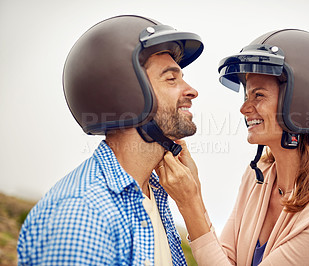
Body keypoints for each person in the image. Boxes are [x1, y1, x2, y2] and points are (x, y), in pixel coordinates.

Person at [157, 29, 309, 265]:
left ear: (300, 103)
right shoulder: (258, 176)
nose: (245, 108)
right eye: (246, 96)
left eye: (259, 95)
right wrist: (194, 189)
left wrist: (189, 202)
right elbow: (224, 259)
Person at [17, 15, 203, 265]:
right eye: (171, 79)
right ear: (127, 96)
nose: (191, 90)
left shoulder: (152, 195)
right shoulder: (82, 216)